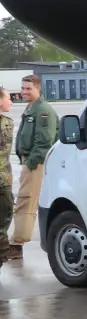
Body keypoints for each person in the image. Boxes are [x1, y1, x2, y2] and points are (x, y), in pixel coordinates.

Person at [10, 74, 56, 260]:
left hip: (36, 163)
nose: (24, 92)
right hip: (30, 162)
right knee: (24, 201)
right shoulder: (31, 108)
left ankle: (16, 244)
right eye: (22, 88)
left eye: (28, 88)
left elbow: (44, 141)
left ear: (38, 89)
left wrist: (30, 163)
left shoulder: (43, 110)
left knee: (26, 201)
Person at [0, 89, 12, 259]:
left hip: (4, 181)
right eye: (9, 98)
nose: (11, 102)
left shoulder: (8, 123)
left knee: (5, 217)